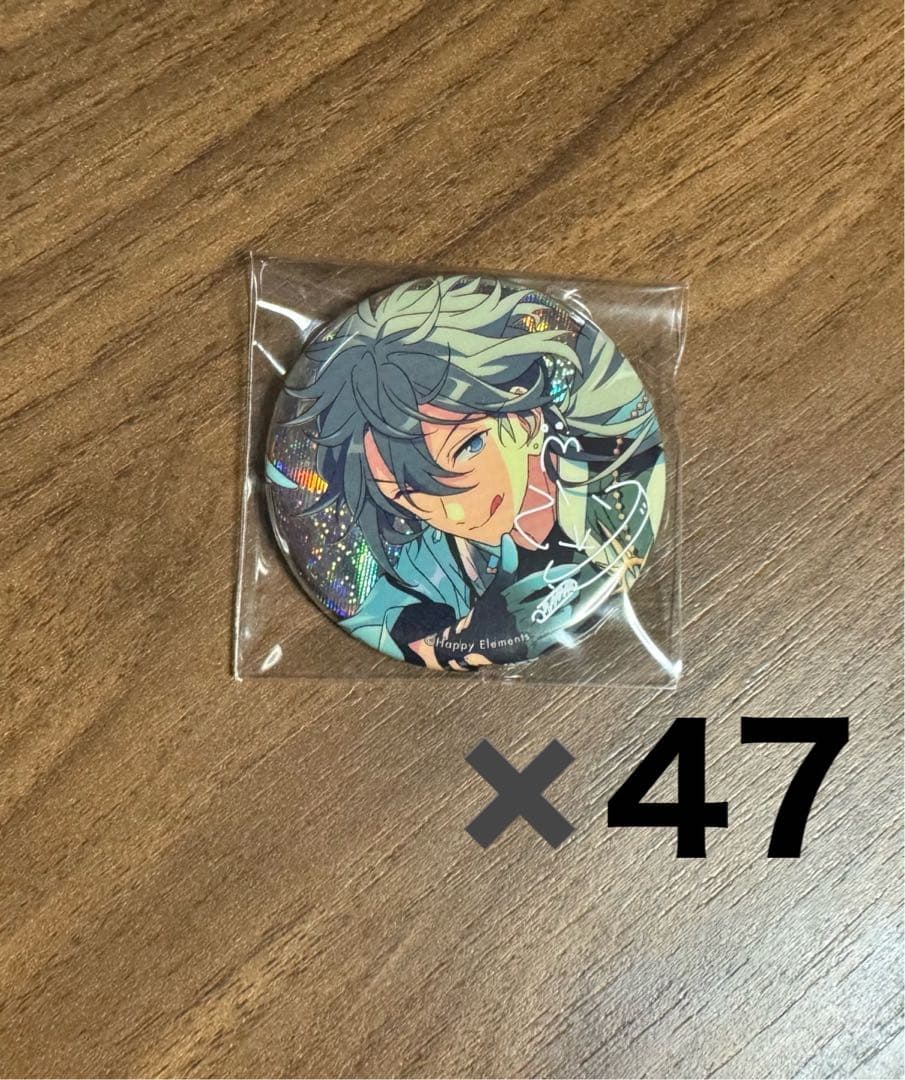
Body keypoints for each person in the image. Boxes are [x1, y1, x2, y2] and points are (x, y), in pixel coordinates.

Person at [270, 276, 664, 668]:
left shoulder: (612, 476)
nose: (457, 512)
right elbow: (378, 619)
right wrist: (459, 638)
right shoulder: (424, 563)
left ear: (525, 419)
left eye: (468, 447)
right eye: (409, 493)